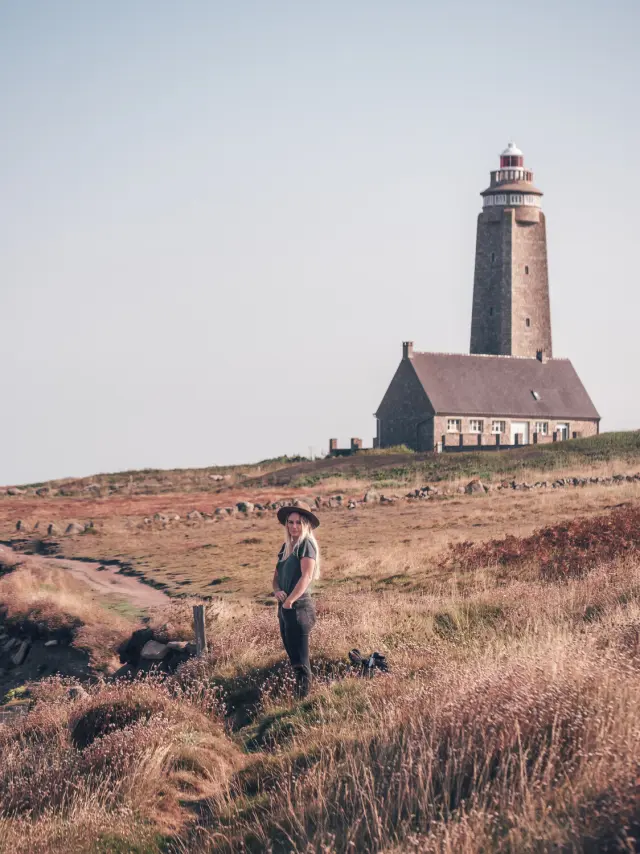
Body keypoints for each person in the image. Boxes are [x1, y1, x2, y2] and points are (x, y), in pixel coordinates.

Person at [272, 499, 320, 698]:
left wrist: (290, 601)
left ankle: (303, 703)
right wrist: (277, 592)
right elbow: (275, 577)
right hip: (285, 609)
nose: (294, 526)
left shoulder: (306, 545)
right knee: (293, 659)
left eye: (298, 522)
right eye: (290, 522)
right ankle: (299, 698)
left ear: (306, 524)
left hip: (299, 608)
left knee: (301, 662)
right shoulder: (286, 546)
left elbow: (306, 576)